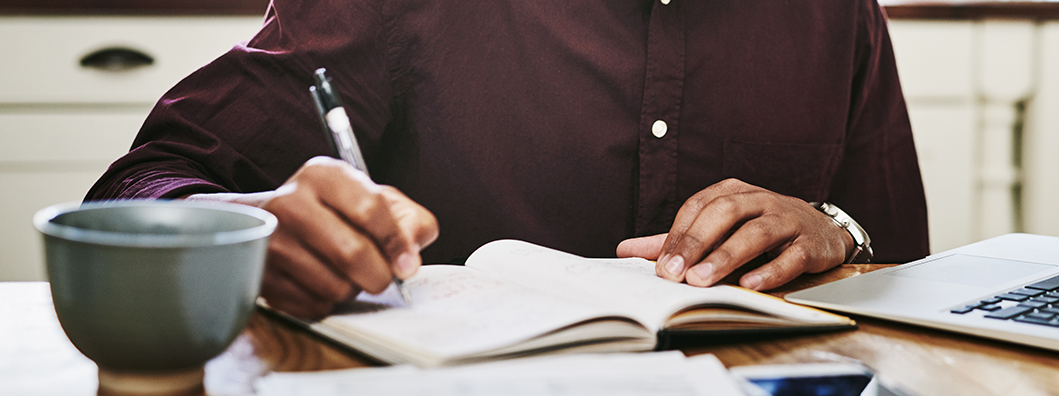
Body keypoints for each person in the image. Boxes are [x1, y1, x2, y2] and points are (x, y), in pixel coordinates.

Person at [88, 0, 929, 319]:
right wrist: (250, 225)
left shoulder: (837, 13)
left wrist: (835, 231)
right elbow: (143, 185)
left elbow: (900, 258)